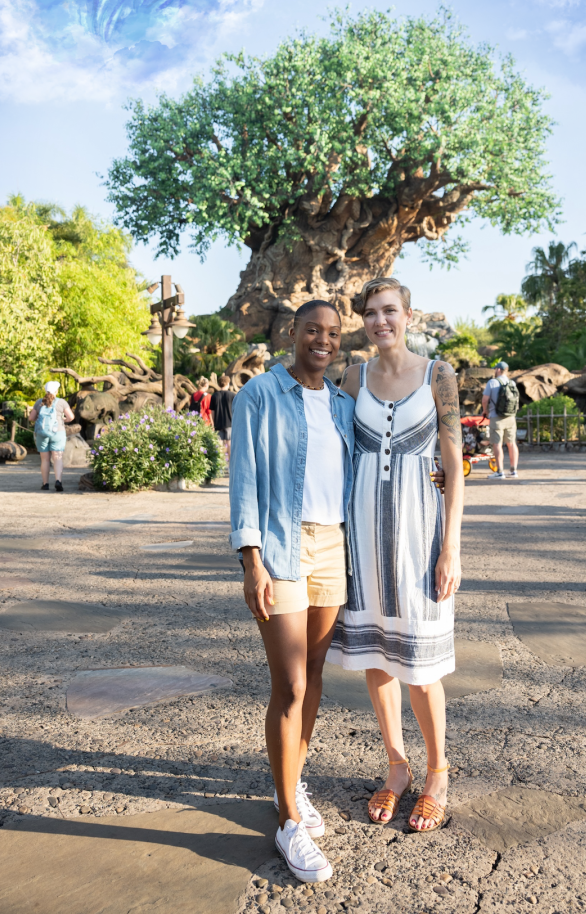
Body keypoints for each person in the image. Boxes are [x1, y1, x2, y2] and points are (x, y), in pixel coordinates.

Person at [328, 277, 464, 834]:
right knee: (377, 658)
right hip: (362, 536)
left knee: (422, 667)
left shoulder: (438, 375)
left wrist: (451, 546)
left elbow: (453, 466)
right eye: (370, 312)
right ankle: (396, 765)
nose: (379, 320)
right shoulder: (352, 377)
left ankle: (438, 773)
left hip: (420, 535)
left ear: (408, 315)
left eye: (389, 310)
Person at [230, 300, 355, 884]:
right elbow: (245, 479)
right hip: (281, 546)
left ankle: (293, 782)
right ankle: (287, 822)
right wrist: (251, 560)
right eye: (312, 330)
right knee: (291, 684)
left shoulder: (343, 404)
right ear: (293, 333)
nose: (322, 341)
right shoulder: (259, 395)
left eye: (332, 333)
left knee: (316, 676)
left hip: (333, 545)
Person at [28, 381, 74, 492]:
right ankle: (58, 481)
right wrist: (63, 419)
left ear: (45, 390)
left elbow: (31, 418)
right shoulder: (61, 402)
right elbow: (71, 417)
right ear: (56, 391)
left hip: (42, 433)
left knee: (45, 460)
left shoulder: (39, 402)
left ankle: (45, 484)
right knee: (57, 458)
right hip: (58, 432)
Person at [481, 361, 520, 479]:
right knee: (511, 443)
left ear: (498, 370)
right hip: (510, 417)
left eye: (495, 369)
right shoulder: (512, 382)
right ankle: (513, 471)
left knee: (497, 444)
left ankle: (499, 472)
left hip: (496, 417)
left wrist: (485, 410)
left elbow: (485, 400)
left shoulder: (492, 382)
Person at [210, 374, 235, 464]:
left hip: (218, 423)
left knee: (219, 444)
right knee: (229, 444)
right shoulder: (232, 395)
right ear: (227, 383)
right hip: (230, 423)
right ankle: (231, 465)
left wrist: (213, 423)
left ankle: (219, 464)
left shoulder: (214, 396)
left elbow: (212, 412)